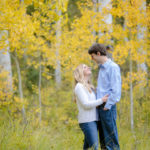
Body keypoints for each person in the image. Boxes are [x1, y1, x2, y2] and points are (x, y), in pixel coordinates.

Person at [88, 43, 121, 150]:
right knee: (103, 139)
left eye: (93, 56)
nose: (92, 59)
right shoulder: (101, 68)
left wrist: (108, 105)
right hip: (100, 106)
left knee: (111, 139)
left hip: (107, 106)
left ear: (98, 53)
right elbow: (102, 88)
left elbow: (116, 89)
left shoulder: (113, 67)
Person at [74, 64, 108, 150]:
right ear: (80, 72)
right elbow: (86, 104)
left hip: (94, 120)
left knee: (88, 147)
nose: (89, 67)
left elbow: (92, 103)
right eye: (85, 67)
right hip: (87, 121)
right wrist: (102, 100)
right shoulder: (79, 86)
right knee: (94, 147)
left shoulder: (89, 86)